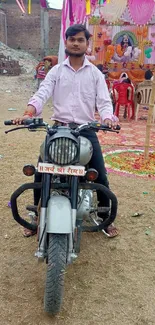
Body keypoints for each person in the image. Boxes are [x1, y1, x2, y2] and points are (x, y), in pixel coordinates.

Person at [13, 24, 119, 238]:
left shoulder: (95, 75)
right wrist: (29, 111)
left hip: (86, 130)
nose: (76, 43)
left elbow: (104, 102)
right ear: (67, 42)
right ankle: (36, 215)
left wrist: (108, 118)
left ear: (87, 44)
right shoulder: (56, 71)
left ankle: (105, 217)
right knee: (41, 172)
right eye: (72, 39)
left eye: (80, 40)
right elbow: (42, 93)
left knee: (100, 175)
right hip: (58, 130)